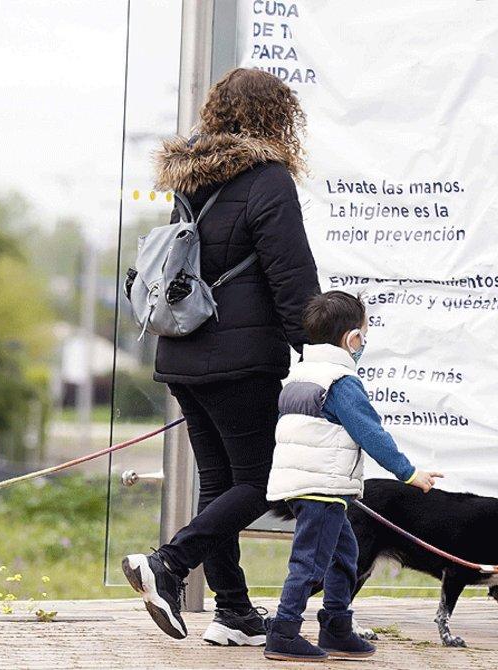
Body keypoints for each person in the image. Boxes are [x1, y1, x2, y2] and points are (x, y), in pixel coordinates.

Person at [121, 68, 321, 646]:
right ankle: (169, 564)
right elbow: (292, 277)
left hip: (182, 353)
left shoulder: (193, 180)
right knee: (259, 481)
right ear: (277, 117)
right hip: (241, 358)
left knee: (220, 481)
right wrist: (319, 352)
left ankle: (232, 610)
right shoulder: (269, 180)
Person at [263, 291, 444, 662]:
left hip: (304, 484)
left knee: (346, 554)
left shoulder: (300, 374)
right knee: (310, 561)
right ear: (352, 339)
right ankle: (283, 632)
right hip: (322, 487)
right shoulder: (341, 382)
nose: (364, 342)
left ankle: (336, 628)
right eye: (364, 334)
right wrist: (409, 474)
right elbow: (371, 433)